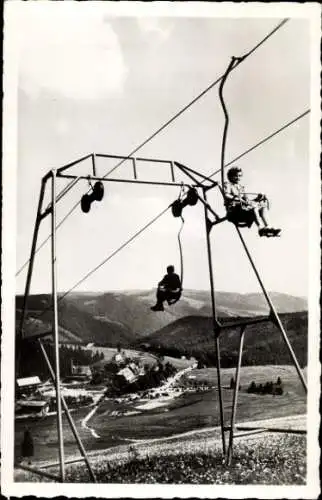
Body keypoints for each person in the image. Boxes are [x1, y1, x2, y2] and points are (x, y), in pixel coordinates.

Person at [223, 166, 281, 237]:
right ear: (231, 176)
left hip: (243, 210)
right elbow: (226, 195)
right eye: (236, 176)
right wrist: (238, 199)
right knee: (253, 207)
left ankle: (268, 227)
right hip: (234, 212)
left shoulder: (240, 187)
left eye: (239, 176)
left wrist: (257, 198)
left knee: (262, 205)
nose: (238, 178)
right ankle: (260, 228)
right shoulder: (228, 185)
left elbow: (247, 201)